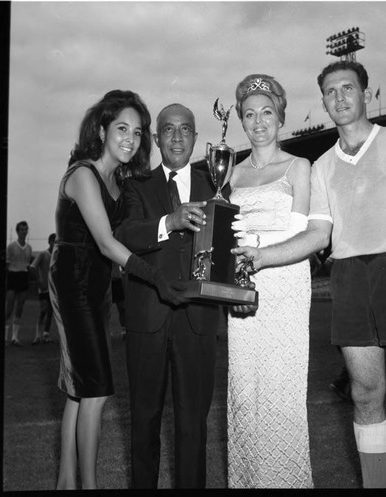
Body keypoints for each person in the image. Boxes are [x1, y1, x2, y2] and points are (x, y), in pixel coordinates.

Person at [233, 61, 386, 489]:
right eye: (330, 92)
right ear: (324, 103)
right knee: (365, 395)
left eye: (348, 88)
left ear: (366, 93)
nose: (340, 98)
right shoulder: (323, 166)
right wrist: (262, 256)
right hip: (349, 277)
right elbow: (317, 234)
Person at [48, 90, 186, 490]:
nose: (131, 138)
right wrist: (156, 277)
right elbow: (108, 243)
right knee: (95, 390)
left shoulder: (117, 179)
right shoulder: (82, 173)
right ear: (103, 129)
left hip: (96, 286)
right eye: (122, 128)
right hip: (72, 280)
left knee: (79, 388)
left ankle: (66, 483)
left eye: (138, 132)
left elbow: (129, 235)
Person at [114, 103, 224, 489]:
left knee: (194, 424)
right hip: (147, 319)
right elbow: (125, 235)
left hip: (198, 321)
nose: (177, 137)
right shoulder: (135, 186)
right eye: (169, 130)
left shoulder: (217, 183)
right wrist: (169, 222)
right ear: (157, 138)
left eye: (186, 129)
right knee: (144, 422)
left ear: (196, 137)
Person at [227, 74, 313, 488]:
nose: (258, 121)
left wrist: (259, 253)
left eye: (266, 112)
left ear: (280, 116)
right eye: (249, 114)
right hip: (244, 291)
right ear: (241, 122)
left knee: (282, 396)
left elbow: (301, 236)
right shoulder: (231, 175)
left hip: (286, 286)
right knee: (244, 396)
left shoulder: (299, 166)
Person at [5, 220, 33, 346]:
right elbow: (6, 265)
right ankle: (5, 337)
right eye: (22, 229)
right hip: (13, 277)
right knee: (9, 309)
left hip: (23, 277)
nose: (24, 232)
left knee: (20, 308)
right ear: (17, 231)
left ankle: (14, 338)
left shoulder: (29, 248)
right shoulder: (11, 246)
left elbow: (27, 265)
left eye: (26, 229)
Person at [30, 233, 56, 345]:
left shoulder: (58, 255)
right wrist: (39, 282)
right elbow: (32, 267)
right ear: (49, 242)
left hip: (54, 289)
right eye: (53, 241)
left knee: (50, 312)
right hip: (44, 288)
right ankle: (37, 336)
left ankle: (45, 335)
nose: (55, 244)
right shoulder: (42, 254)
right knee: (44, 309)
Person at [110, 262, 126, 340]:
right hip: (105, 281)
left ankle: (124, 331)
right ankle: (106, 333)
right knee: (105, 311)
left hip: (116, 281)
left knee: (122, 308)